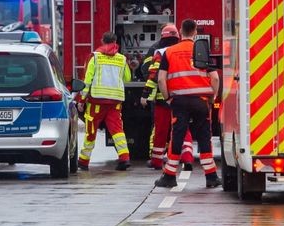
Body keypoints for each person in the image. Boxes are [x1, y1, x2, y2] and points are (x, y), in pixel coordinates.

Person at [154, 19, 221, 188]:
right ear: (195, 32)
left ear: (180, 32)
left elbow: (161, 80)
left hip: (179, 102)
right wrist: (212, 97)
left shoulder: (169, 52)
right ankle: (211, 177)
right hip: (201, 101)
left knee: (177, 137)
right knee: (205, 137)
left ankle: (169, 176)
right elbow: (215, 78)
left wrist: (168, 98)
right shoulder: (202, 50)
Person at [138, 23, 196, 170]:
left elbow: (153, 76)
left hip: (163, 99)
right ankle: (187, 157)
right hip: (183, 96)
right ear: (178, 36)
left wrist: (145, 95)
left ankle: (157, 161)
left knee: (161, 131)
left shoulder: (160, 52)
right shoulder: (184, 50)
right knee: (184, 129)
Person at [77, 31, 132, 171]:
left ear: (102, 41)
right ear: (115, 42)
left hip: (97, 101)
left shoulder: (95, 58)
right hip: (115, 102)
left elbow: (87, 80)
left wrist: (82, 100)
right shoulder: (122, 59)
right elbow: (127, 78)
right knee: (117, 130)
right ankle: (124, 158)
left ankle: (84, 161)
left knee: (91, 130)